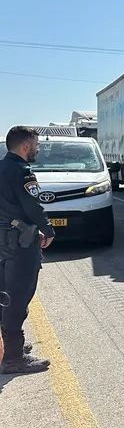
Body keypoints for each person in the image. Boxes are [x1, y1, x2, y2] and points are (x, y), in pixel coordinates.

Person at [0, 126, 54, 375]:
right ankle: (13, 358)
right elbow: (32, 206)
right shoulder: (22, 172)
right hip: (20, 245)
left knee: (5, 295)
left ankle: (10, 347)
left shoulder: (1, 168)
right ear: (25, 146)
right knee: (17, 297)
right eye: (37, 144)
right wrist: (48, 229)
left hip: (4, 241)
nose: (38, 148)